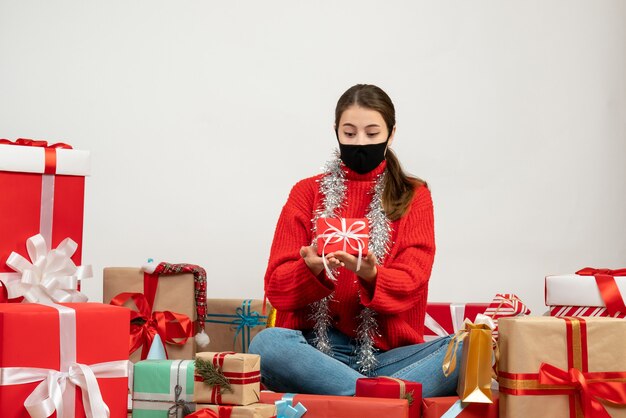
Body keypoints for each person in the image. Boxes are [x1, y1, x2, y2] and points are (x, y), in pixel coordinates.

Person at [249, 84, 460, 397]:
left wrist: (371, 274)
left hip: (384, 357)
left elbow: (412, 281)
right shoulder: (306, 193)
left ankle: (357, 398)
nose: (360, 142)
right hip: (314, 354)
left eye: (372, 133)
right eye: (349, 133)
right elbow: (276, 286)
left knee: (464, 350)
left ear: (391, 133)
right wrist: (310, 270)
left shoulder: (414, 196)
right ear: (336, 132)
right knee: (266, 344)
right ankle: (380, 402)